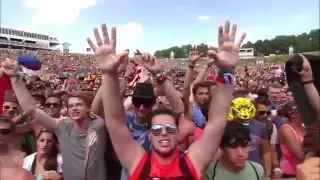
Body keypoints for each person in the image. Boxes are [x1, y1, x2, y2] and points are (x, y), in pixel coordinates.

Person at [90, 20, 245, 179]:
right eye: (157, 130)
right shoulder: (137, 162)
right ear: (149, 135)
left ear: (178, 134)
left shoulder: (194, 161)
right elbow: (115, 122)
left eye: (170, 129)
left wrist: (227, 70)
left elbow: (217, 121)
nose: (164, 133)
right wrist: (108, 74)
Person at [1, 59, 107, 180]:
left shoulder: (98, 125)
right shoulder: (62, 127)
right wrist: (15, 78)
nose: (74, 108)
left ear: (87, 107)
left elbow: (99, 105)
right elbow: (31, 109)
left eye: (78, 104)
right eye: (70, 106)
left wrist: (109, 74)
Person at [278, 101, 305, 178]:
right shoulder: (286, 129)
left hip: (302, 171)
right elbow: (299, 154)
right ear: (292, 114)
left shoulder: (303, 128)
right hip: (290, 173)